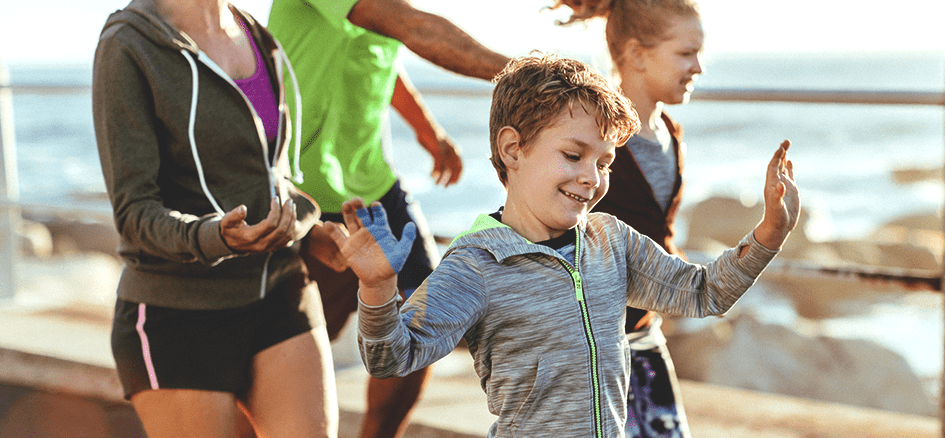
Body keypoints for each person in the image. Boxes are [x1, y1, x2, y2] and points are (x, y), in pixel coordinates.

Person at [326, 53, 799, 438]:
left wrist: (769, 234)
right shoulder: (477, 264)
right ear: (513, 150)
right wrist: (378, 286)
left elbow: (703, 292)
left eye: (605, 162)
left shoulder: (610, 240)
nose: (591, 178)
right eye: (572, 155)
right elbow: (392, 357)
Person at [267, 0, 509, 438]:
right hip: (308, 188)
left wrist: (427, 130)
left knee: (425, 321)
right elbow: (407, 26)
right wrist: (524, 71)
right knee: (277, 355)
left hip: (370, 180)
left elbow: (376, 51)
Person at [92, 0, 341, 438]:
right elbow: (135, 214)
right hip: (179, 316)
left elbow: (273, 175)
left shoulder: (262, 40)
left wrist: (313, 229)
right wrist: (215, 236)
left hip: (280, 293)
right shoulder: (131, 47)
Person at [520, 0, 703, 437]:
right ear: (637, 56)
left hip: (643, 335)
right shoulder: (592, 141)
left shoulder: (671, 135)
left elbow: (653, 230)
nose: (698, 67)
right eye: (686, 53)